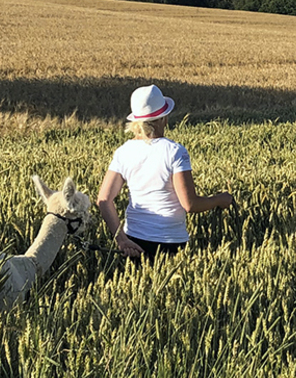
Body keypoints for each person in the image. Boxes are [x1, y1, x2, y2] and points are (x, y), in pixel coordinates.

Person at [96, 84, 233, 260]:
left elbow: (104, 199)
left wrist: (121, 240)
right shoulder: (175, 151)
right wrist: (219, 200)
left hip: (133, 242)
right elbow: (190, 204)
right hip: (170, 243)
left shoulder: (123, 151)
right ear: (163, 118)